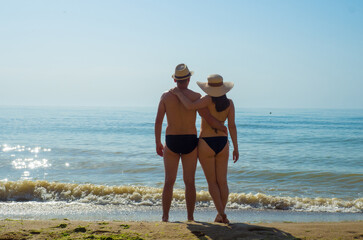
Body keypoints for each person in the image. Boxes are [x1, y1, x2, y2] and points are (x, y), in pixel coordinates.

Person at [154, 64, 226, 222]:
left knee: (168, 182)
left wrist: (158, 142)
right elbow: (208, 118)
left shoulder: (165, 96)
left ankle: (165, 217)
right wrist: (222, 127)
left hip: (171, 140)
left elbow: (158, 121)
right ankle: (190, 217)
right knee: (190, 182)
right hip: (190, 141)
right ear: (188, 79)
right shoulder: (195, 96)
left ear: (175, 79)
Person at [171, 74, 239, 224]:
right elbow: (232, 126)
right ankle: (220, 214)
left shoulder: (207, 100)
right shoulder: (230, 103)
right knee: (222, 182)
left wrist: (178, 93)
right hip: (223, 143)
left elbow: (189, 106)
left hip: (206, 142)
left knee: (212, 183)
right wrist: (236, 148)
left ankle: (222, 213)